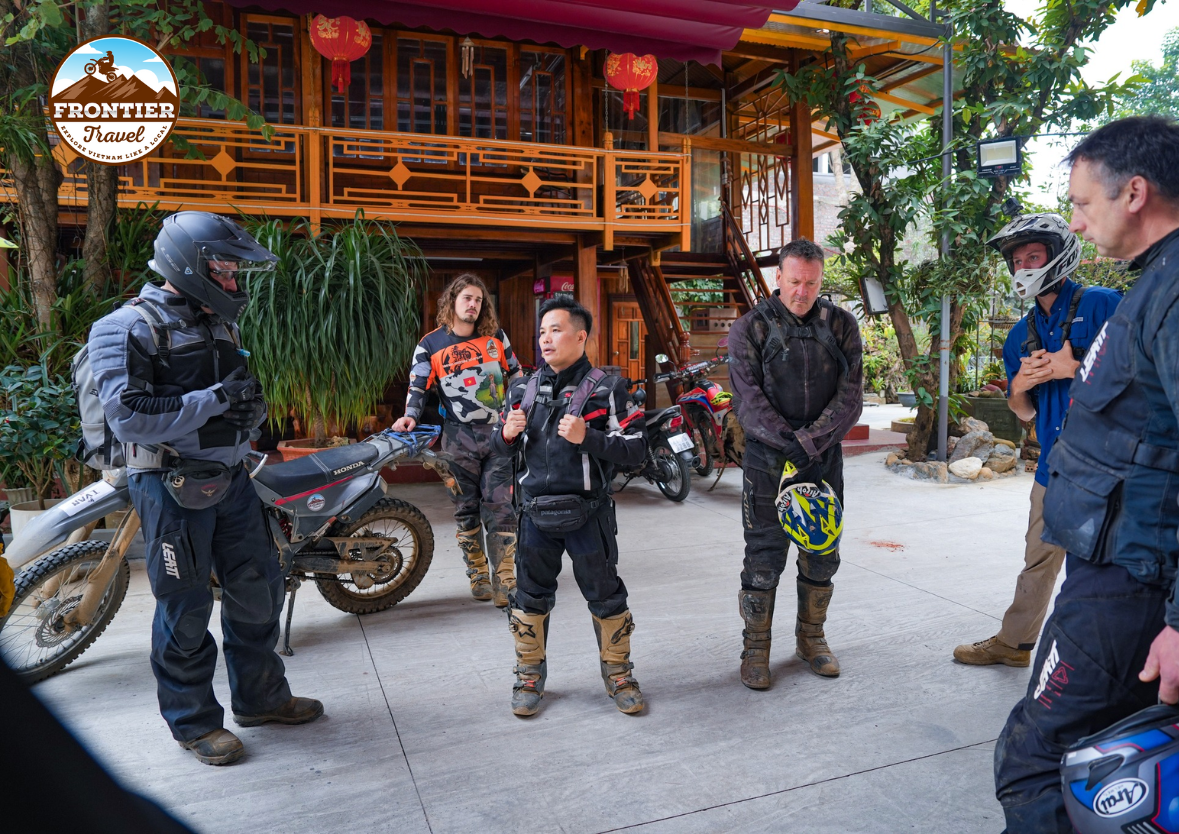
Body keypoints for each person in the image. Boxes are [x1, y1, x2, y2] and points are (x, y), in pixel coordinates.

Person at [993, 116, 1179, 832]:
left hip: (1129, 581)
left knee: (1036, 760)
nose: (1075, 219)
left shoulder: (1166, 292)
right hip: (1110, 563)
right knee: (1116, 758)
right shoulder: (1152, 282)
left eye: (1080, 203)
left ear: (1132, 193)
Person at [88, 211, 322, 766]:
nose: (233, 281)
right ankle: (194, 724)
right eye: (225, 269)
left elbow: (238, 394)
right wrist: (218, 400)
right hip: (169, 487)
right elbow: (128, 417)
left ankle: (261, 698)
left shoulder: (218, 320)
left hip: (233, 480)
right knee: (185, 609)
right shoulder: (125, 328)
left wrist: (249, 407)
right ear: (189, 264)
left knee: (257, 591)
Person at [953, 214, 1120, 667]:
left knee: (1111, 567)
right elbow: (1023, 412)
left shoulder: (1105, 304)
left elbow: (1145, 374)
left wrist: (1077, 368)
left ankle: (1113, 662)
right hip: (1054, 465)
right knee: (1039, 559)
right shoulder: (1018, 335)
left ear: (1058, 255)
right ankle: (1014, 643)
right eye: (1017, 259)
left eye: (1034, 255)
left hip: (1112, 468)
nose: (1024, 265)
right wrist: (1021, 386)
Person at [494, 297, 647, 717]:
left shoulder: (608, 388)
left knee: (606, 595)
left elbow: (638, 450)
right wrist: (505, 434)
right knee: (528, 596)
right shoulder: (520, 389)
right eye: (542, 331)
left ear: (581, 336)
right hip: (534, 517)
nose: (545, 338)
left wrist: (590, 437)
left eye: (556, 330)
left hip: (588, 515)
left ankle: (618, 673)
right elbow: (499, 449)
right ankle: (528, 675)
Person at [726, 238, 863, 689]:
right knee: (763, 557)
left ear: (820, 281)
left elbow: (851, 395)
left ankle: (812, 638)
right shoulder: (751, 328)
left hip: (823, 456)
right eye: (794, 281)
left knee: (822, 551)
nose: (802, 291)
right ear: (778, 278)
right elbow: (747, 398)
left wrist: (813, 441)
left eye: (812, 282)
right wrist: (789, 442)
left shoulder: (841, 325)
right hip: (768, 458)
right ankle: (756, 648)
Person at [392, 274, 521, 607]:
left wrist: (521, 410)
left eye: (478, 300)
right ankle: (478, 574)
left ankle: (505, 578)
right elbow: (418, 386)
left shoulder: (496, 337)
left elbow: (517, 376)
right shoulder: (430, 344)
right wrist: (410, 415)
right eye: (467, 298)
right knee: (466, 509)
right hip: (457, 439)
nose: (473, 305)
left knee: (500, 506)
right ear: (452, 301)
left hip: (499, 435)